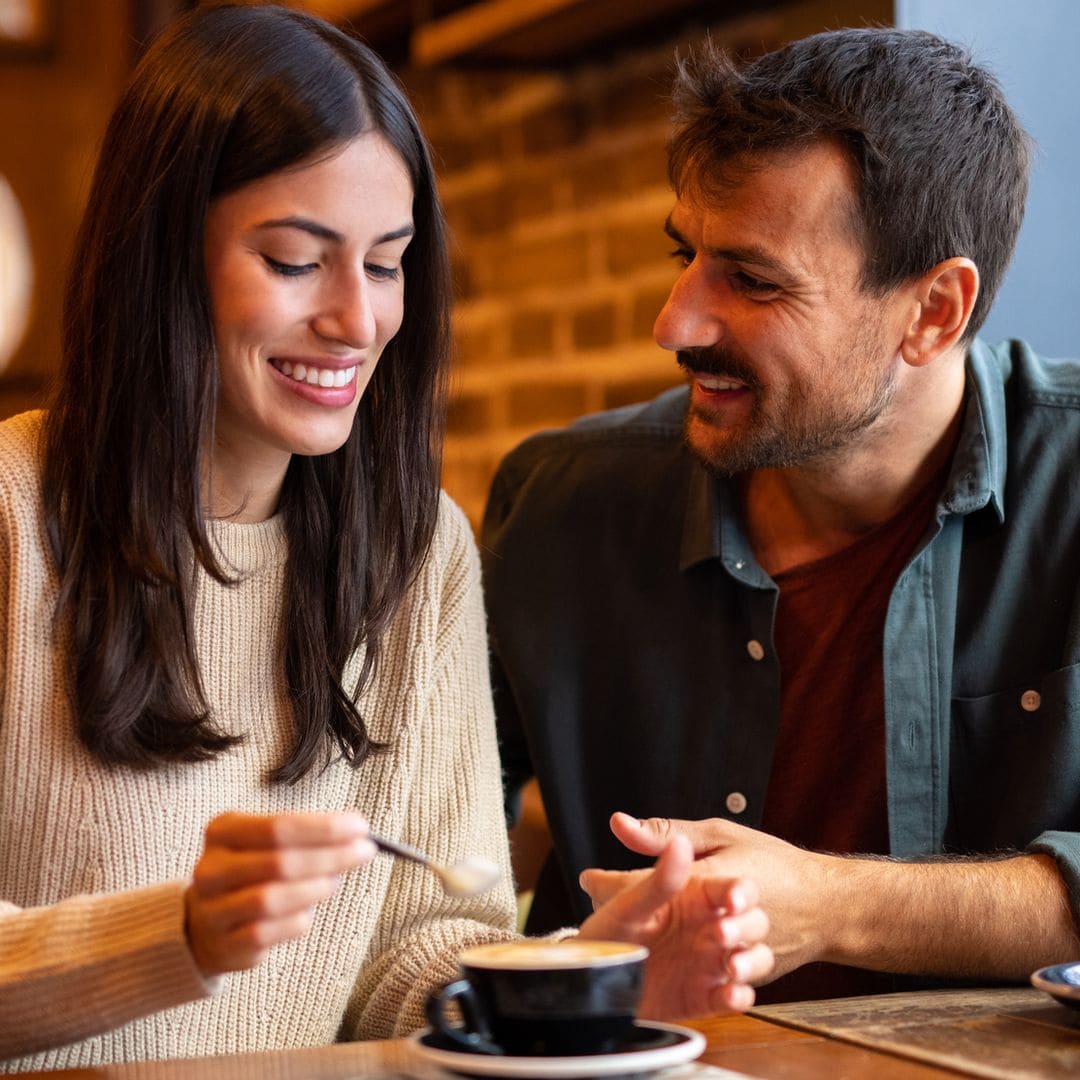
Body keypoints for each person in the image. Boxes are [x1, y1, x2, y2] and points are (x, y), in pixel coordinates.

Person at [0, 4, 773, 1068]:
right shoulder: (12, 515)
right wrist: (171, 935)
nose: (357, 320)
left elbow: (415, 959)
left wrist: (587, 975)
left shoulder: (419, 554)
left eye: (385, 263)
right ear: (161, 255)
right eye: (292, 259)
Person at [483, 26, 1080, 1004]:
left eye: (753, 281)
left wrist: (831, 902)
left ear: (933, 311)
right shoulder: (559, 509)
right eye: (687, 256)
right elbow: (424, 878)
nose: (673, 324)